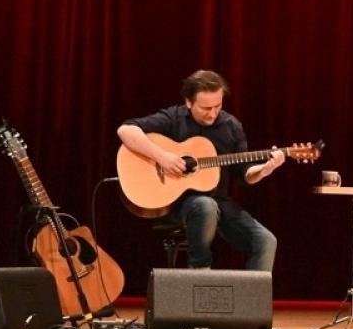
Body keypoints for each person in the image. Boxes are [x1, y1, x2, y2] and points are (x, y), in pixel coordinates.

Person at [117, 70, 282, 271]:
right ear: (189, 102)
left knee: (265, 242)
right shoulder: (174, 118)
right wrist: (162, 157)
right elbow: (126, 130)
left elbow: (244, 173)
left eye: (218, 106)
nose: (212, 113)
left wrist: (264, 169)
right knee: (205, 206)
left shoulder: (231, 126)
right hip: (177, 204)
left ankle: (254, 293)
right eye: (205, 108)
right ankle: (200, 273)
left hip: (219, 202)